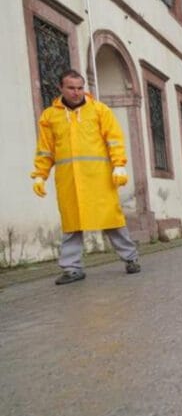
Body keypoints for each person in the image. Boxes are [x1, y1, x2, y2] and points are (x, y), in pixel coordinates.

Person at [31, 69, 141, 285]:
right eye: (71, 88)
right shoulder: (49, 117)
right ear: (60, 88)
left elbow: (114, 140)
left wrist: (119, 166)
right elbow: (45, 150)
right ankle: (72, 268)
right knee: (72, 224)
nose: (76, 92)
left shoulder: (99, 111)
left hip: (99, 178)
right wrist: (39, 175)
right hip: (69, 180)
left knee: (112, 220)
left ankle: (131, 258)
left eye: (80, 88)